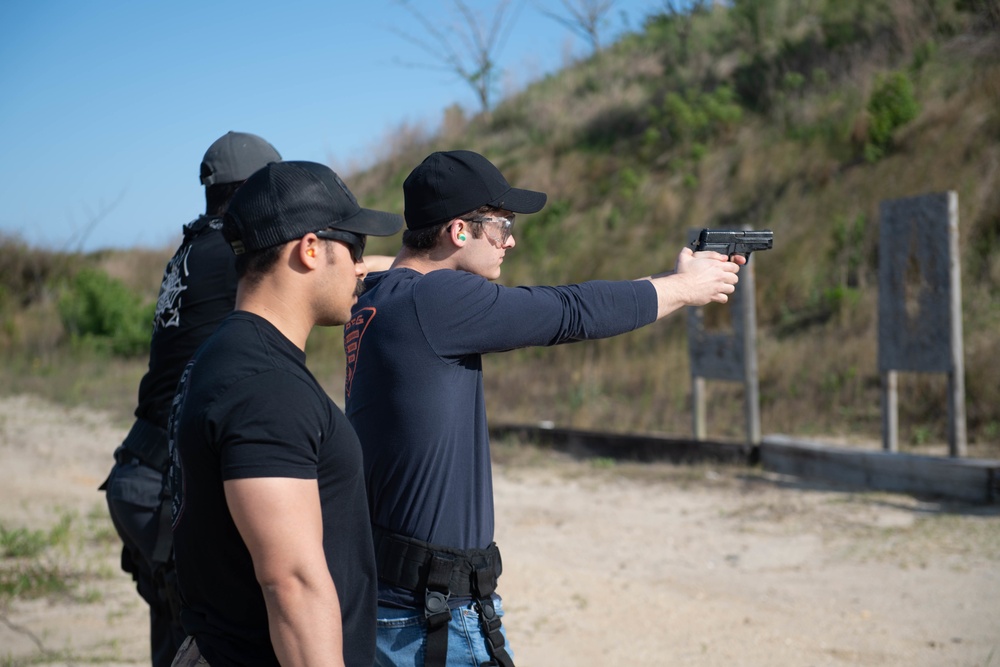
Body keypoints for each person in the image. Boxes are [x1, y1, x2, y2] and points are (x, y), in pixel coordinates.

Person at [343, 149, 745, 667]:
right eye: (501, 225)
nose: (510, 239)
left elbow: (383, 269)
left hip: (396, 598)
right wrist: (683, 288)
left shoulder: (381, 296)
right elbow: (569, 311)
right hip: (431, 618)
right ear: (458, 231)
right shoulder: (436, 301)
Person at [167, 160, 402, 667]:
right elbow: (291, 582)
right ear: (310, 248)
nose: (362, 266)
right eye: (356, 249)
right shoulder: (265, 388)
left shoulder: (226, 356)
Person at [102, 130, 281, 667]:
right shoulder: (231, 250)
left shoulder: (192, 248)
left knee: (179, 647)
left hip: (141, 471)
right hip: (166, 487)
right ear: (253, 191)